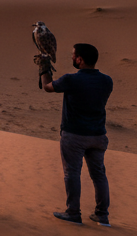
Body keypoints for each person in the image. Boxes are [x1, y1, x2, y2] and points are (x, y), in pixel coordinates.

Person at [45, 43, 113, 226]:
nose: (72, 58)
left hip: (74, 135)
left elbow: (47, 87)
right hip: (98, 135)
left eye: (74, 55)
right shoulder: (107, 81)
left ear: (80, 59)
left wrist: (44, 68)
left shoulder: (70, 80)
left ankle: (73, 213)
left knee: (72, 173)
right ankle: (102, 215)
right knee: (99, 175)